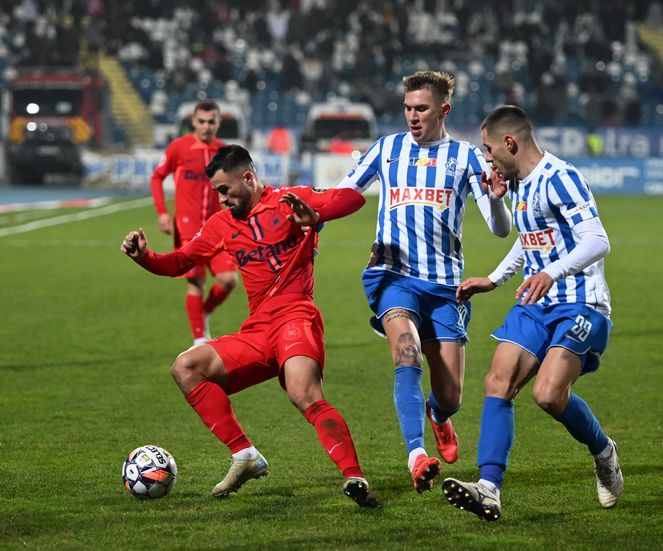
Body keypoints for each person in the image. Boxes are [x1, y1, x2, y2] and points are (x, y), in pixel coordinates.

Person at [122, 144, 377, 507]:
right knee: (186, 367)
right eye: (216, 193)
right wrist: (144, 257)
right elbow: (180, 262)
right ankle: (244, 454)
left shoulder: (290, 200)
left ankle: (354, 476)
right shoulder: (221, 224)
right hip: (257, 331)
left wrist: (315, 216)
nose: (221, 199)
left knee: (304, 395)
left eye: (225, 190)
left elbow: (352, 200)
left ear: (248, 177)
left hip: (295, 318)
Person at [323, 70, 512, 493]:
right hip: (394, 278)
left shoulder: (465, 158)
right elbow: (343, 192)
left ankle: (438, 416)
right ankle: (416, 454)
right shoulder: (387, 148)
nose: (412, 115)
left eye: (421, 108)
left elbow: (500, 229)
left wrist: (498, 201)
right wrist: (311, 222)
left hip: (446, 287)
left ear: (443, 109)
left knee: (451, 397)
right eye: (407, 107)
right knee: (407, 357)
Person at [442, 105, 623, 521]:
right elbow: (526, 239)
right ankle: (489, 487)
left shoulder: (561, 177)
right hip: (537, 302)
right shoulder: (520, 183)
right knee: (497, 380)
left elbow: (597, 240)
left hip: (580, 301)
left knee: (547, 394)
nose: (487, 159)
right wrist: (494, 279)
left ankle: (603, 451)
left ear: (510, 143)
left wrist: (552, 271)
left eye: (489, 150)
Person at [150, 99, 239, 345]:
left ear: (219, 123)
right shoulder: (178, 147)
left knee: (229, 280)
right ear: (193, 122)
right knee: (195, 281)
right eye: (202, 121)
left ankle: (204, 313)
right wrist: (163, 212)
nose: (206, 126)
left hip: (218, 228)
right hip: (188, 229)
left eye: (212, 121)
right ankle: (200, 339)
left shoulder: (224, 153)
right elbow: (157, 178)